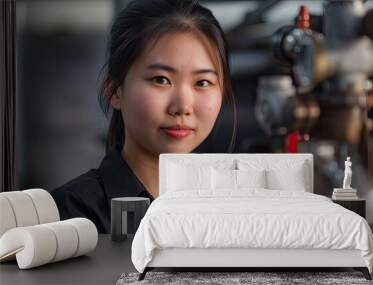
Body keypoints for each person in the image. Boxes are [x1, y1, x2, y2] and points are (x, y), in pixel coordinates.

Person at [50, 0, 237, 233]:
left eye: (202, 82)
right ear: (115, 91)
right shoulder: (71, 215)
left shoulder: (230, 209)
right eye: (161, 79)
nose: (182, 106)